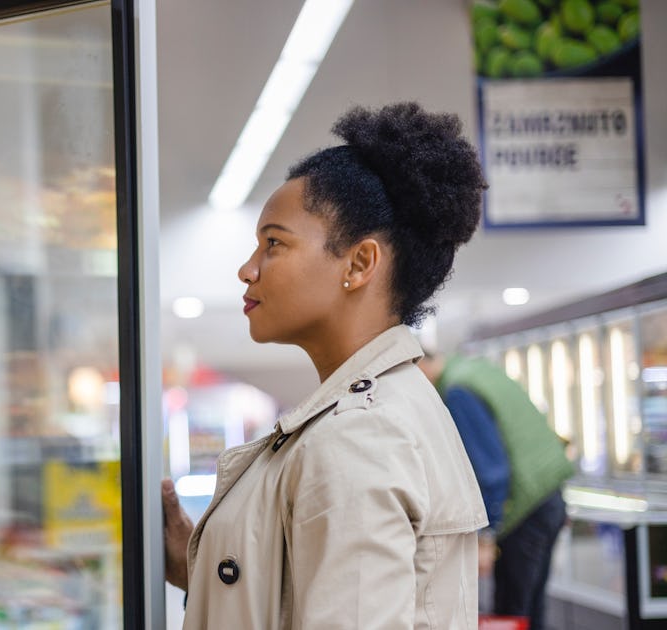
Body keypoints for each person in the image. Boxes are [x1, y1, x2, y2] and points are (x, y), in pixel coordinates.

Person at [161, 102, 489, 628]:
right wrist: (201, 568)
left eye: (274, 243)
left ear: (359, 263)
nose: (247, 269)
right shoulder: (381, 410)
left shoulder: (359, 435)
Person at [418, 351, 573, 630]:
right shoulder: (474, 369)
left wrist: (486, 537)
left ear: (422, 365)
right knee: (532, 607)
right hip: (549, 495)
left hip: (524, 510)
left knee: (511, 613)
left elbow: (491, 472)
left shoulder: (458, 391)